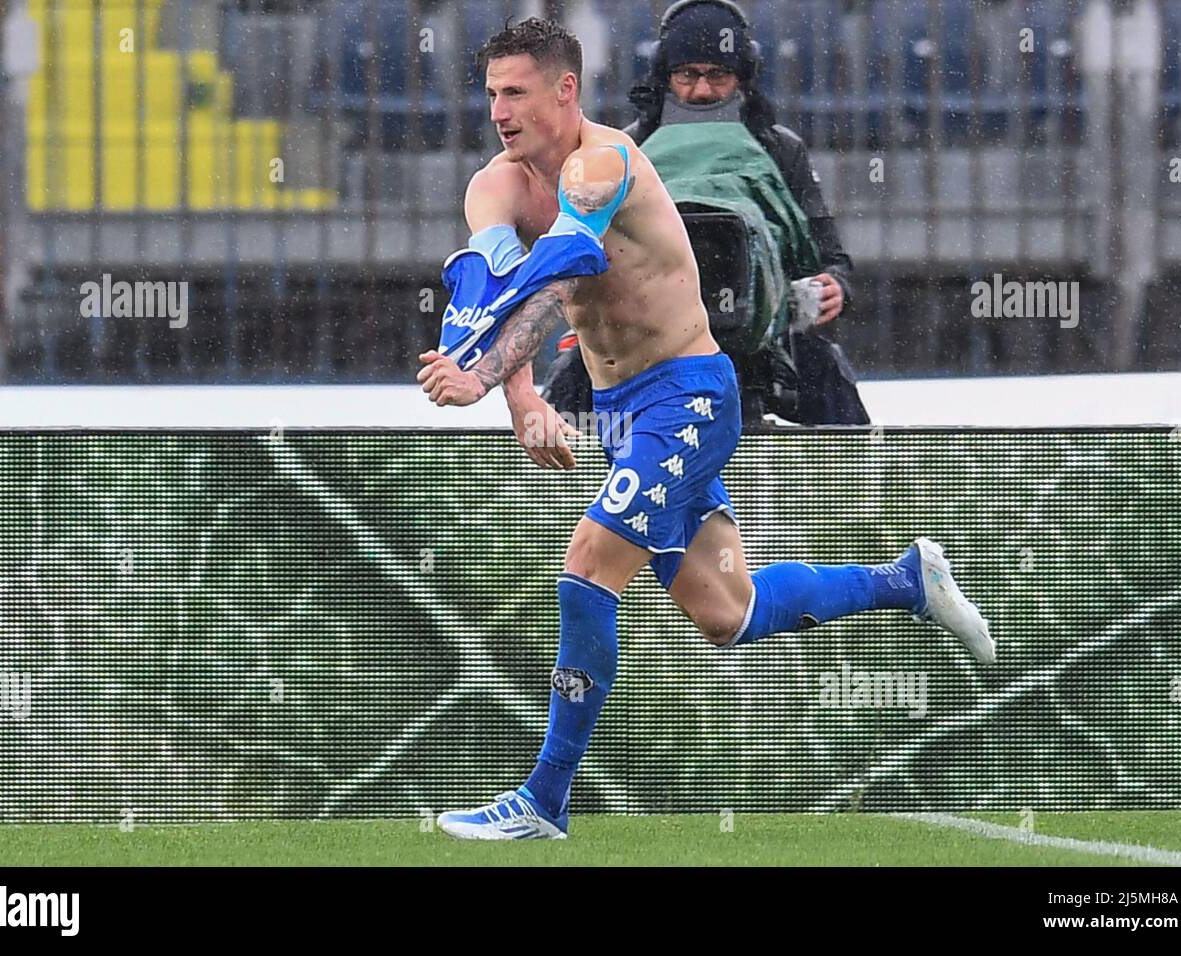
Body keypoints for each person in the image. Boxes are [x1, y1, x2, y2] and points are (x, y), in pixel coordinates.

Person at [415, 18, 994, 841]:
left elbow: (555, 270)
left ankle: (544, 799)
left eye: (516, 91)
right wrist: (517, 398)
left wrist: (474, 363)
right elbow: (498, 282)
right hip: (623, 414)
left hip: (688, 396)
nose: (500, 110)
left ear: (564, 90)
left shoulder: (604, 163)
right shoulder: (495, 187)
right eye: (490, 94)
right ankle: (907, 582)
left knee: (586, 567)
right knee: (729, 612)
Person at [542, 0, 869, 426]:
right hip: (639, 339)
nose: (701, 90)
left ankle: (859, 492)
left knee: (829, 377)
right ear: (665, 75)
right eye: (687, 75)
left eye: (718, 75)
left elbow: (832, 259)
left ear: (742, 77)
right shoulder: (625, 150)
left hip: (760, 339)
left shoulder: (779, 149)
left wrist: (834, 286)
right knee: (569, 381)